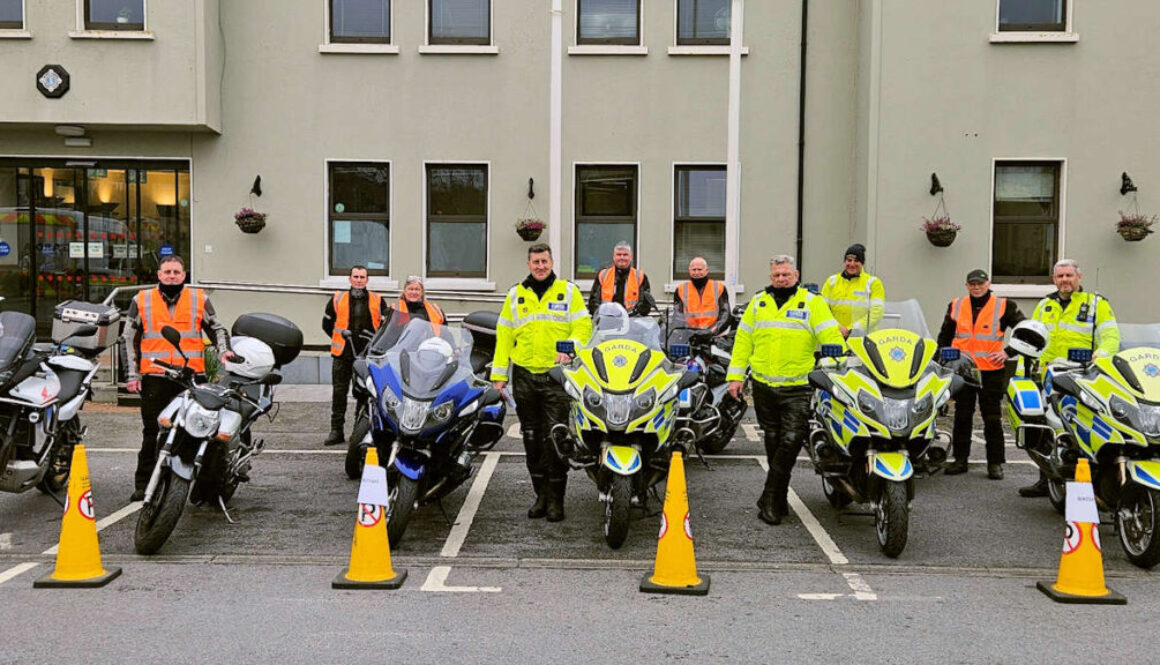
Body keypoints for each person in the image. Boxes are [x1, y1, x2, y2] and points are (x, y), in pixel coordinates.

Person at [727, 255, 844, 525]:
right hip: (764, 387)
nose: (781, 279)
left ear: (796, 275)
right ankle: (778, 499)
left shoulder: (813, 303)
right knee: (773, 440)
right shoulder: (759, 303)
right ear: (771, 277)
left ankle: (769, 497)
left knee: (791, 441)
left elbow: (832, 338)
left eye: (786, 274)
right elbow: (743, 342)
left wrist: (838, 364)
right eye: (777, 275)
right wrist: (735, 377)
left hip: (798, 387)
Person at [493, 243, 592, 522]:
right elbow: (504, 337)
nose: (540, 266)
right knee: (532, 438)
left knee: (556, 438)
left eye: (544, 261)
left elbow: (584, 328)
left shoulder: (568, 291)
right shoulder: (516, 294)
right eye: (535, 261)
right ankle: (541, 496)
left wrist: (571, 347)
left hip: (556, 375)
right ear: (529, 264)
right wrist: (499, 377)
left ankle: (556, 501)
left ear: (551, 262)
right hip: (524, 375)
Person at [122, 255, 233, 502]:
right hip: (156, 376)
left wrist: (224, 350)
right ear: (159, 275)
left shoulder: (199, 299)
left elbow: (216, 328)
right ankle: (144, 484)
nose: (171, 276)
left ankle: (198, 488)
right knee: (152, 432)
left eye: (176, 272)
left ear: (184, 275)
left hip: (192, 377)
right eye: (167, 272)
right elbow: (128, 338)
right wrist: (132, 375)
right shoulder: (141, 300)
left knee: (198, 430)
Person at [1018, 258, 1120, 497]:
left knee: (1084, 421)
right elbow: (1035, 337)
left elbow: (1111, 336)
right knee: (1046, 424)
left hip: (1085, 373)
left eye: (1069, 275)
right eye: (1060, 276)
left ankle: (1094, 475)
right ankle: (1047, 478)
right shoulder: (1045, 305)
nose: (1065, 280)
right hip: (1051, 373)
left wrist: (1102, 355)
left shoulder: (1096, 303)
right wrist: (1027, 366)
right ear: (1054, 279)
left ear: (1078, 278)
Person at [937, 269, 1025, 480]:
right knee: (962, 415)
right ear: (967, 286)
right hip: (963, 370)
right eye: (972, 284)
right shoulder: (956, 305)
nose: (976, 287)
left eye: (980, 284)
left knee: (992, 418)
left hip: (991, 371)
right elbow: (945, 337)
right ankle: (960, 460)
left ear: (988, 284)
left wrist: (1008, 352)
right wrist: (942, 361)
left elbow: (1024, 330)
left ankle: (995, 464)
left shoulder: (1004, 305)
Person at [321, 265, 389, 446]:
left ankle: (358, 432)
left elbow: (385, 327)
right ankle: (336, 431)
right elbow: (327, 324)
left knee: (364, 394)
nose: (359, 280)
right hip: (343, 353)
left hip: (367, 355)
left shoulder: (378, 300)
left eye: (362, 277)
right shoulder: (337, 298)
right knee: (339, 393)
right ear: (350, 279)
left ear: (367, 280)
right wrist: (339, 338)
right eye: (356, 277)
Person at [820, 243, 885, 338]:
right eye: (849, 260)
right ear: (844, 261)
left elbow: (876, 313)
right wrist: (837, 327)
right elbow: (822, 309)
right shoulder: (832, 281)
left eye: (857, 261)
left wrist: (851, 329)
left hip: (863, 340)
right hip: (836, 337)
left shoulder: (873, 283)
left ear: (862, 263)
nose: (852, 264)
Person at [587, 241, 652, 316]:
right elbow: (593, 302)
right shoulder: (603, 275)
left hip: (632, 321)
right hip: (607, 322)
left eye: (625, 255)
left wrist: (634, 313)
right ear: (613, 257)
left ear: (631, 257)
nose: (622, 258)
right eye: (619, 255)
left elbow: (645, 305)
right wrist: (600, 314)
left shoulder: (640, 276)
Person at [674, 256, 730, 331]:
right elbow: (678, 315)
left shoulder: (719, 288)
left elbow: (725, 315)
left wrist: (714, 330)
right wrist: (688, 330)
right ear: (689, 271)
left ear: (706, 270)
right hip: (689, 335)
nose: (696, 272)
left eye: (699, 269)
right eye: (694, 270)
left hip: (714, 335)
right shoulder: (681, 289)